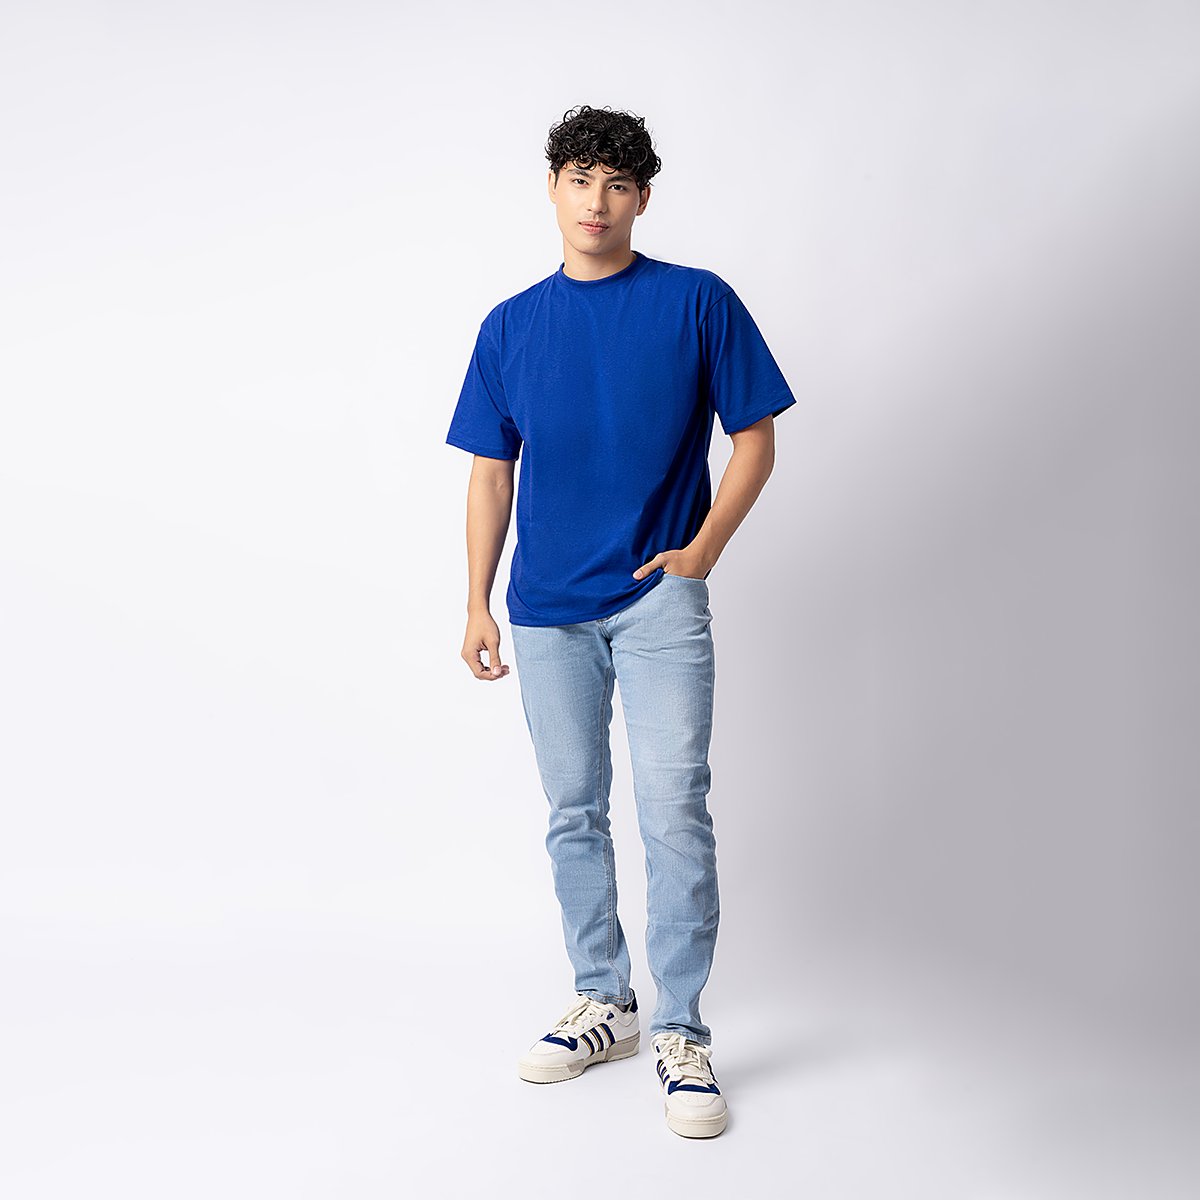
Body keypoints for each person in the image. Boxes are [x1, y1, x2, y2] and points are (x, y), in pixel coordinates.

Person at [446, 105, 794, 1138]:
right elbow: (491, 474)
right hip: (545, 609)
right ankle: (606, 1002)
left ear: (642, 198)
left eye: (616, 184)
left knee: (674, 808)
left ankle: (682, 1032)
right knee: (573, 811)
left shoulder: (696, 302)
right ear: (552, 188)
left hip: (656, 598)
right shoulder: (509, 326)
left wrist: (703, 551)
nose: (596, 202)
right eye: (579, 179)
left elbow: (756, 437)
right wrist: (476, 599)